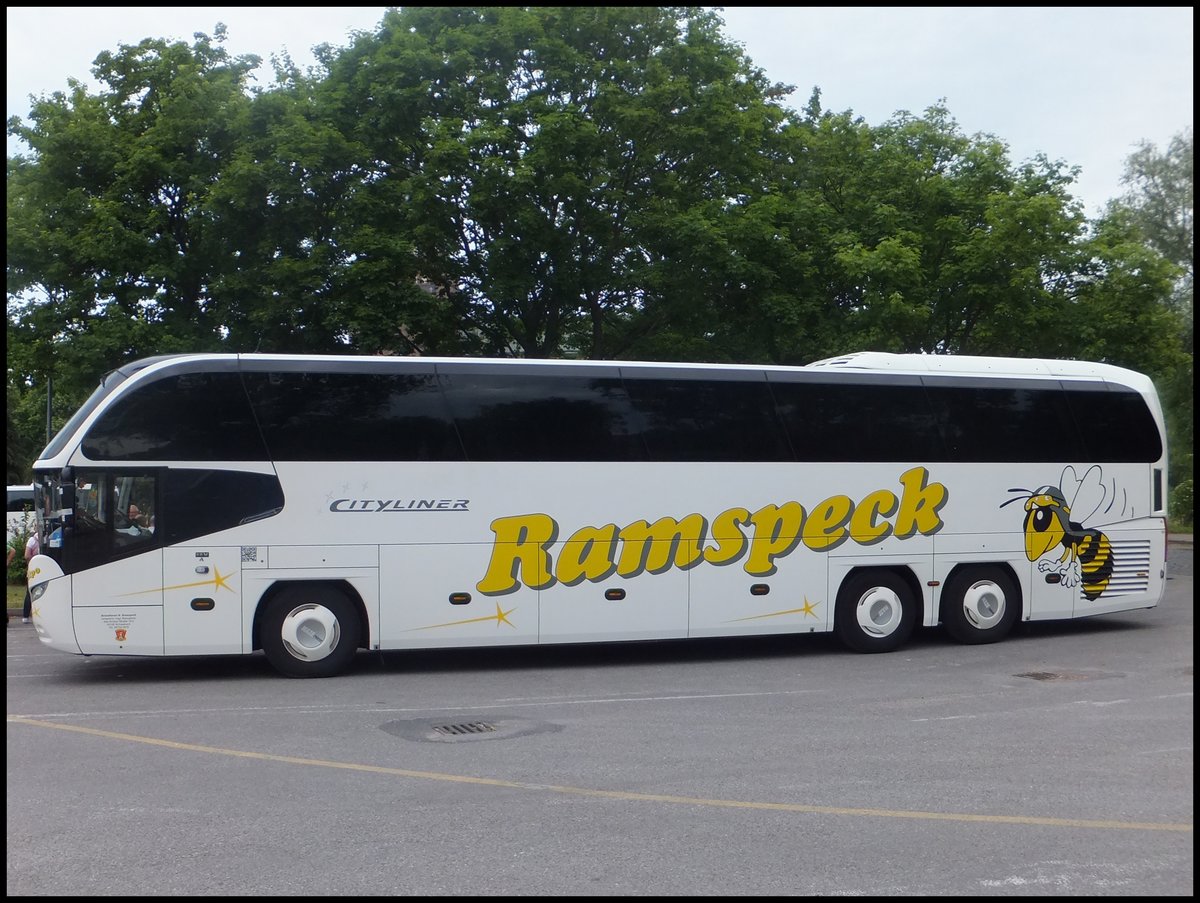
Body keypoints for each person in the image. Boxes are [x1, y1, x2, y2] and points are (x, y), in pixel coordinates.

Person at [20, 530, 39, 623]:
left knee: (29, 592)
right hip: (45, 567)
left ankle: (25, 616)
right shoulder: (48, 538)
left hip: (33, 569)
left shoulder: (32, 540)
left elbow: (27, 555)